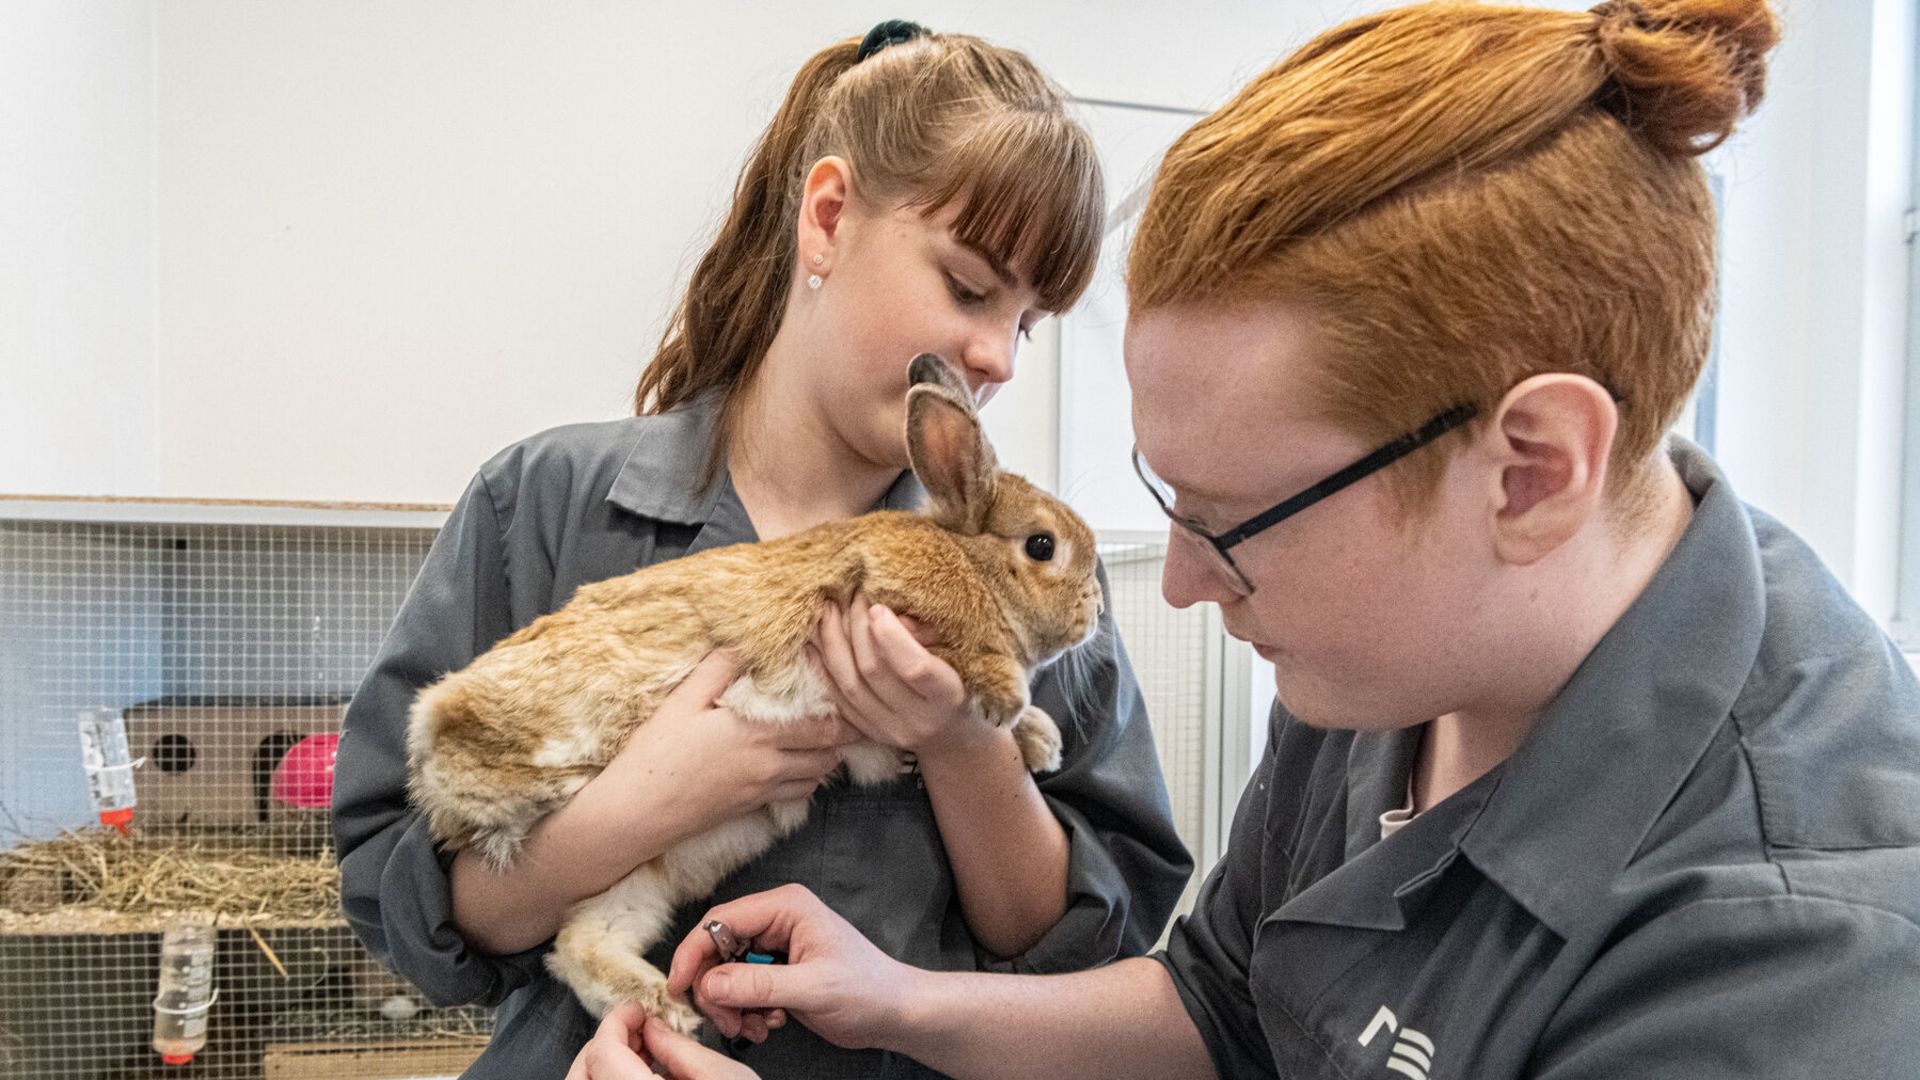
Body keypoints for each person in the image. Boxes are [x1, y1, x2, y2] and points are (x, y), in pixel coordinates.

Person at [619, 1, 1920, 1077]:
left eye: (1233, 525)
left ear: (1529, 473)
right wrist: (905, 1000)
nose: (1183, 584)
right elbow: (1222, 1007)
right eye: (1171, 498)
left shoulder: (1788, 958)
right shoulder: (1385, 663)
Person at [332, 20, 1192, 1079]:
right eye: (970, 290)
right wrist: (644, 803)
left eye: (1026, 326)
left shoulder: (1015, 567)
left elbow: (1076, 947)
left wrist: (961, 739)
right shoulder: (547, 502)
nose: (995, 357)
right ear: (828, 219)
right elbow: (415, 898)